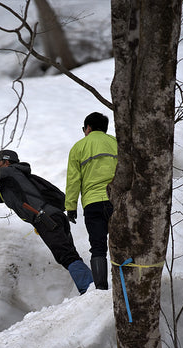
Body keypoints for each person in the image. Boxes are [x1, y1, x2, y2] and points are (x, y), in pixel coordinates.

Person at [0, 150, 93, 295]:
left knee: (66, 256)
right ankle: (91, 286)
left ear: (7, 162)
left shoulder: (11, 171)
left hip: (46, 219)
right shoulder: (15, 180)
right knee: (68, 255)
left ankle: (89, 289)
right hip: (53, 217)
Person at [65, 112, 118, 290]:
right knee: (123, 243)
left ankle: (101, 288)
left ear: (88, 128)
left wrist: (70, 207)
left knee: (98, 246)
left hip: (92, 204)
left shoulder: (79, 147)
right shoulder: (116, 143)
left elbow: (73, 180)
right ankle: (126, 283)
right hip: (117, 201)